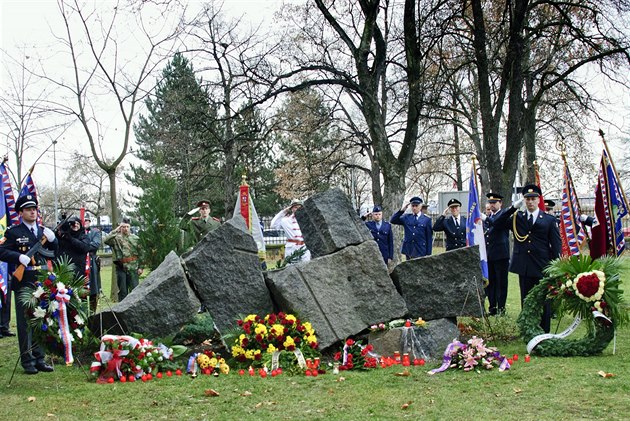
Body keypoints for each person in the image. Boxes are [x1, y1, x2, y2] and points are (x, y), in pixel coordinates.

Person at [0, 194, 57, 374]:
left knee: (41, 319)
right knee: (25, 322)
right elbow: (1, 251)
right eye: (28, 209)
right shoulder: (13, 232)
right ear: (20, 213)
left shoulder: (42, 231)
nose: (33, 212)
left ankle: (40, 358)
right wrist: (18, 257)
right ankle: (28, 360)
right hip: (24, 281)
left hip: (42, 279)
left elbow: (53, 252)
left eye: (34, 209)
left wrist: (54, 240)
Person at [492, 184, 561, 332]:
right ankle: (528, 329)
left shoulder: (548, 219)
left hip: (543, 265)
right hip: (524, 265)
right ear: (524, 200)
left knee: (544, 299)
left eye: (533, 198)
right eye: (527, 199)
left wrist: (556, 267)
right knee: (526, 298)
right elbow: (496, 224)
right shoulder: (518, 217)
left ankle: (544, 330)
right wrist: (512, 208)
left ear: (538, 200)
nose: (530, 202)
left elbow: (556, 245)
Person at [481, 192, 511, 316]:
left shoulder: (503, 215)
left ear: (500, 203)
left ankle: (501, 308)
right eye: (490, 203)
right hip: (489, 255)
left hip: (501, 255)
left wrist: (486, 218)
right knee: (490, 283)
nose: (492, 205)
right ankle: (492, 307)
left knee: (501, 283)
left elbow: (496, 222)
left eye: (495, 203)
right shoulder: (489, 217)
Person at [104, 218, 143, 302]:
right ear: (120, 227)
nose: (125, 229)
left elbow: (142, 254)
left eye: (127, 227)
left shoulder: (136, 239)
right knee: (123, 292)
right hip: (121, 268)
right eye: (123, 227)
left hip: (133, 268)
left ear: (130, 227)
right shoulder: (115, 239)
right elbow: (105, 240)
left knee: (135, 291)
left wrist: (141, 267)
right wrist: (116, 230)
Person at [84, 216, 102, 314]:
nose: (85, 222)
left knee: (94, 290)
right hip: (81, 263)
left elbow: (95, 244)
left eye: (87, 220)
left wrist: (82, 245)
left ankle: (92, 314)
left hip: (92, 263)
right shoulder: (77, 233)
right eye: (83, 220)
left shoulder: (95, 232)